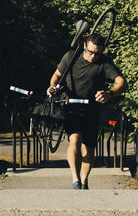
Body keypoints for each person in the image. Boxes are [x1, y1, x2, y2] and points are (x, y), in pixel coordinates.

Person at [46, 33, 128, 189]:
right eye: (91, 52)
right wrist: (52, 88)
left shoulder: (104, 63)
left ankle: (84, 181)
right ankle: (75, 179)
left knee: (88, 148)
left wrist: (110, 93)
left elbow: (122, 83)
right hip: (71, 107)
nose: (93, 56)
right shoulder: (71, 57)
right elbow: (56, 76)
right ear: (84, 45)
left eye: (97, 53)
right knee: (75, 139)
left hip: (92, 110)